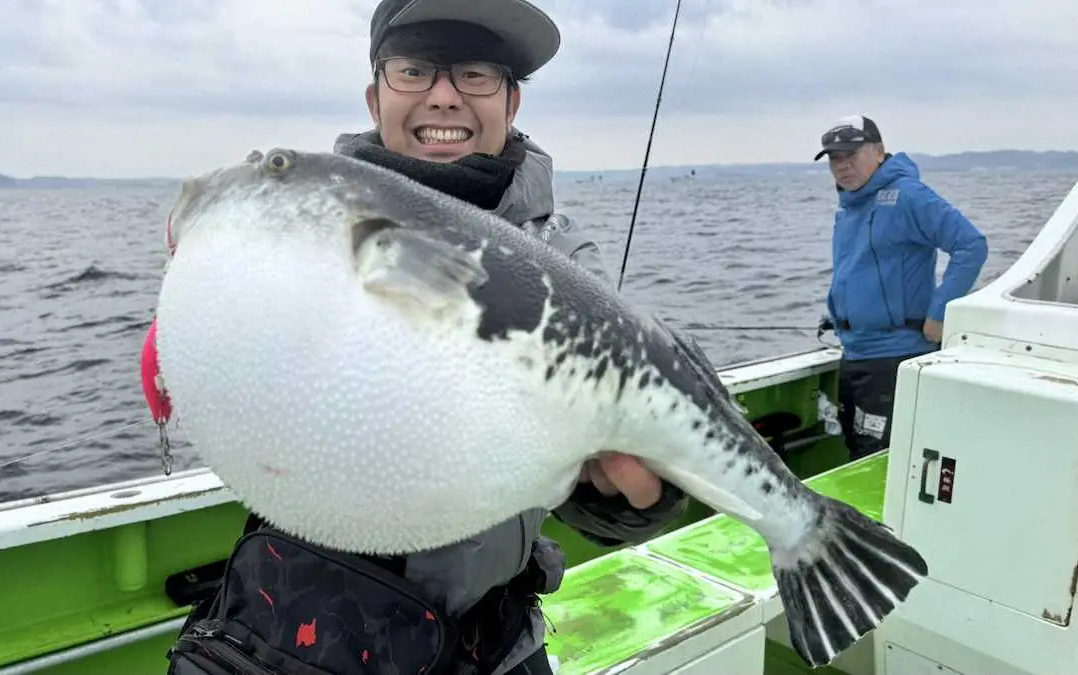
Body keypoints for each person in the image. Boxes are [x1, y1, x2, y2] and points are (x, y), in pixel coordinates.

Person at [147, 1, 691, 673]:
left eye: (476, 74)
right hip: (301, 632)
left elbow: (581, 473)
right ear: (376, 97)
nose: (444, 95)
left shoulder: (565, 260)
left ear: (512, 101)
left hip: (493, 643)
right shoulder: (294, 224)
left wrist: (632, 493)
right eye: (415, 70)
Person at [814, 115, 988, 461]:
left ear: (879, 152)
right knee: (857, 447)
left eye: (851, 154)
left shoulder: (908, 196)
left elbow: (971, 246)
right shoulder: (848, 206)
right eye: (835, 158)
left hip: (895, 356)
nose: (842, 165)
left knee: (878, 457)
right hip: (856, 353)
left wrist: (940, 313)